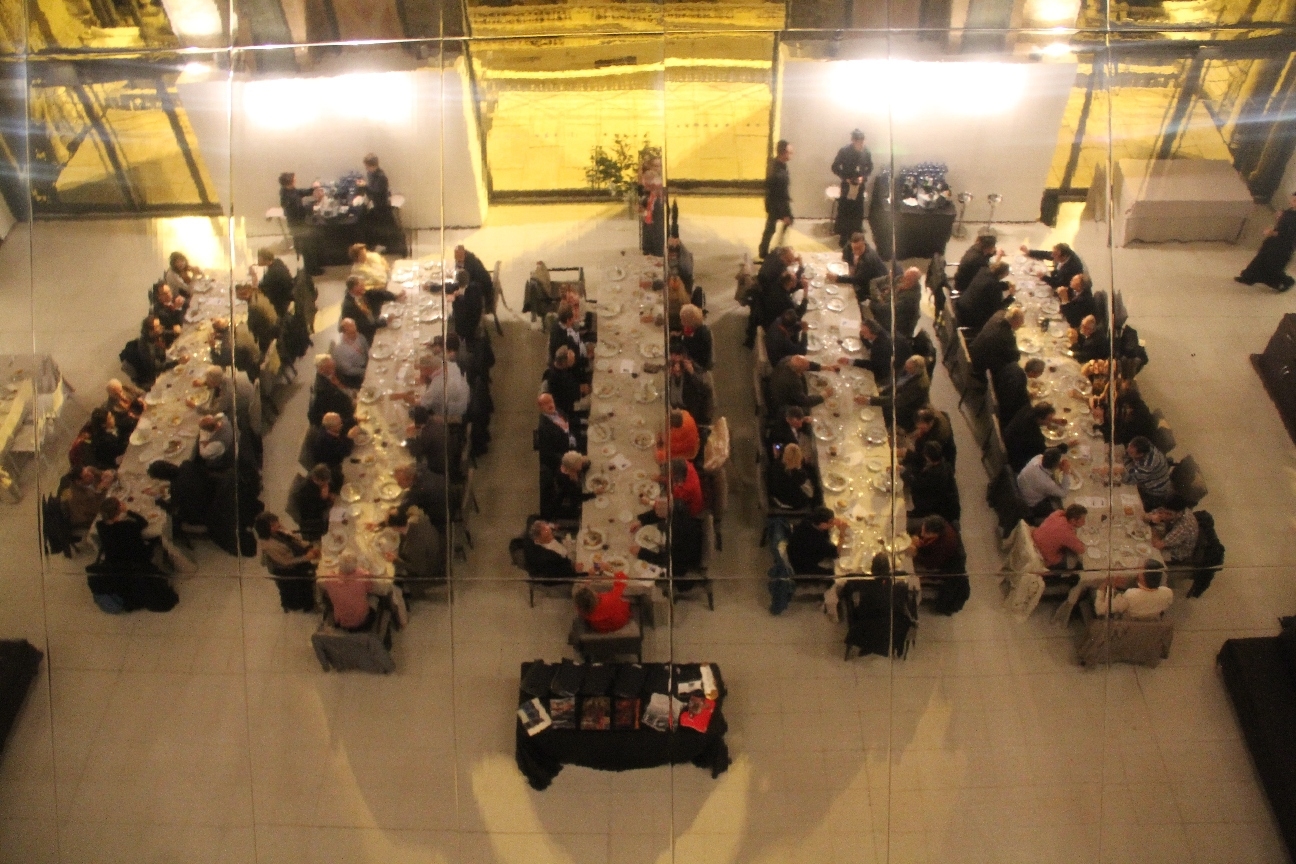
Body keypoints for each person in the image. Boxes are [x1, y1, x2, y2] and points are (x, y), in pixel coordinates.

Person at [254, 511, 319, 613]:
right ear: (267, 528)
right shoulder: (268, 545)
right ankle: (309, 605)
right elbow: (286, 562)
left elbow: (294, 539)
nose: (278, 524)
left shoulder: (277, 531)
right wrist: (306, 557)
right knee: (308, 575)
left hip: (295, 554)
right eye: (274, 524)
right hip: (287, 569)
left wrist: (307, 546)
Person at [629, 497, 704, 582]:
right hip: (681, 540)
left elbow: (665, 560)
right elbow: (661, 512)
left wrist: (641, 553)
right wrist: (641, 521)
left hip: (682, 562)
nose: (657, 514)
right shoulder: (678, 508)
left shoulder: (678, 540)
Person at [1238, 191, 1296, 291]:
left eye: (1294, 201)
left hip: (1283, 246)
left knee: (1272, 265)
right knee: (1261, 259)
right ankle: (1248, 277)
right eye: (1293, 199)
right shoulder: (1291, 211)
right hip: (1274, 242)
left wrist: (1270, 232)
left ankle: (1286, 281)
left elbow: (1286, 234)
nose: (1292, 202)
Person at [866, 355, 930, 432]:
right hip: (897, 395)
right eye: (906, 366)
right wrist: (882, 389)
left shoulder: (919, 385)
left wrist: (870, 400)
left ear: (916, 371)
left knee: (876, 416)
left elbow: (898, 401)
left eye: (908, 368)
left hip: (906, 410)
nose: (905, 368)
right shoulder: (909, 367)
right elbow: (896, 382)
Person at [386, 506, 445, 589]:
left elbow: (419, 569)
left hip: (431, 569)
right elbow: (396, 521)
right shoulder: (419, 519)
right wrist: (380, 524)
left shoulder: (413, 547)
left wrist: (396, 560)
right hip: (437, 545)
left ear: (394, 528)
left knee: (391, 573)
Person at [831, 129, 873, 244]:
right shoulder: (844, 151)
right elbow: (835, 167)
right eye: (858, 141)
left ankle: (856, 237)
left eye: (862, 141)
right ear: (853, 140)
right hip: (847, 185)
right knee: (845, 210)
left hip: (859, 186)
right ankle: (844, 236)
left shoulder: (866, 152)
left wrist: (862, 178)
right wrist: (845, 178)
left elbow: (869, 168)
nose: (860, 144)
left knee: (857, 211)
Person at [905, 440, 960, 525]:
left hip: (941, 512)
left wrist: (904, 472)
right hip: (946, 505)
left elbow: (917, 485)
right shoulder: (944, 463)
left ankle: (916, 515)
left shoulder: (936, 474)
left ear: (928, 457)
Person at [320, 552, 377, 631]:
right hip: (362, 621)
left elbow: (329, 575)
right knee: (375, 599)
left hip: (341, 622)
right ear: (355, 566)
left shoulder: (330, 579)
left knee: (329, 596)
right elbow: (370, 589)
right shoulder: (362, 575)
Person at [1094, 561, 1173, 618]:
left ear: (1143, 578)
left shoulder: (1130, 595)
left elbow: (1100, 610)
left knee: (1093, 591)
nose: (1138, 570)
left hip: (1129, 626)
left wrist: (1108, 585)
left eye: (1140, 570)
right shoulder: (1168, 592)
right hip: (1151, 621)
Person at [828, 232, 889, 306]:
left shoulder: (868, 259)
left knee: (846, 297)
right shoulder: (854, 246)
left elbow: (858, 279)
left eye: (858, 249)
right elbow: (846, 250)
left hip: (875, 283)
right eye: (853, 248)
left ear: (864, 243)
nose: (854, 251)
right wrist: (851, 265)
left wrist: (837, 278)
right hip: (863, 275)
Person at [954, 260, 1014, 335]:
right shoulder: (994, 288)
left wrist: (1006, 285)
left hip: (961, 306)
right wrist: (1011, 297)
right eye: (1006, 274)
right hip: (970, 318)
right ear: (1001, 275)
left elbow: (991, 283)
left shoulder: (983, 271)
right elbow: (998, 309)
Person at [278, 172, 321, 275]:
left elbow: (300, 192)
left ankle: (312, 267)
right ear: (290, 182)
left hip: (296, 223)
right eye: (294, 179)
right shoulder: (289, 197)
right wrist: (314, 205)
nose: (296, 180)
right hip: (298, 225)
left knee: (307, 246)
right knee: (307, 247)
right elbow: (299, 210)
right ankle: (312, 270)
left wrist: (313, 189)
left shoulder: (286, 190)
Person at [758, 139, 794, 260]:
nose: (791, 154)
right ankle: (776, 249)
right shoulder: (777, 172)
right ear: (783, 153)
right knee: (774, 226)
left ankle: (766, 249)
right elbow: (778, 193)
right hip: (777, 204)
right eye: (789, 152)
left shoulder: (778, 165)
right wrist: (784, 213)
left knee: (771, 227)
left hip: (776, 203)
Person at [969, 305, 1025, 379]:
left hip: (974, 349)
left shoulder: (998, 314)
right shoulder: (1007, 336)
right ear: (1015, 322)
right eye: (1019, 324)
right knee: (1014, 370)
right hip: (980, 365)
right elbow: (1015, 357)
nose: (1020, 326)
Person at [341, 274, 401, 343]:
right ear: (355, 288)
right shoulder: (349, 306)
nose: (364, 287)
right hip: (366, 334)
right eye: (361, 285)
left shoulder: (359, 293)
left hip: (374, 320)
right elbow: (362, 325)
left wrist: (394, 296)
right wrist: (384, 321)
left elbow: (376, 293)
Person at [787, 506, 845, 575]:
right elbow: (836, 553)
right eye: (831, 522)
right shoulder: (817, 540)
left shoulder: (808, 520)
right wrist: (842, 533)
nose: (833, 523)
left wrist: (831, 522)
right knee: (834, 573)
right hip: (802, 564)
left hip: (794, 548)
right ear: (822, 524)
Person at [413, 354, 470, 423]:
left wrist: (403, 396)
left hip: (455, 415)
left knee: (415, 414)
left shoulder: (436, 385)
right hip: (464, 398)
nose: (420, 372)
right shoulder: (449, 365)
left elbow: (422, 405)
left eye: (421, 370)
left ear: (427, 369)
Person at [1004, 401, 1058, 473]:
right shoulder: (1034, 435)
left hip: (1008, 438)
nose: (1050, 422)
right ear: (1040, 419)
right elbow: (1045, 452)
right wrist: (1065, 446)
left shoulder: (1027, 408)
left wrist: (1053, 420)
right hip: (1017, 460)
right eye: (1049, 419)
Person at [1121, 436, 1174, 510]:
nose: (1127, 449)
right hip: (1143, 482)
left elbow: (1130, 480)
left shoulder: (1149, 463)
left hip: (1153, 493)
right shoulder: (1144, 446)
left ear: (1141, 454)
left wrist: (1121, 470)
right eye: (1130, 445)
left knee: (1124, 503)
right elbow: (1126, 457)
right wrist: (1128, 463)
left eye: (1131, 452)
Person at [1018, 447, 1070, 521]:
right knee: (1061, 510)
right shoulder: (1047, 483)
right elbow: (1064, 493)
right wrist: (1066, 472)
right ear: (1055, 465)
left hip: (1020, 486)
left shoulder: (1038, 457)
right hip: (1029, 503)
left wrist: (1056, 466)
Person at [1032, 503, 1088, 570]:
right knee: (1077, 561)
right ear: (1073, 520)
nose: (1084, 523)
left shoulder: (1057, 513)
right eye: (1082, 520)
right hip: (1044, 558)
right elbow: (1081, 550)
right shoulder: (1066, 533)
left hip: (1035, 542)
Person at [871, 267, 923, 339]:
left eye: (907, 279)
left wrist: (875, 303)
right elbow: (874, 282)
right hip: (887, 312)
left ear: (913, 282)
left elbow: (888, 309)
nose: (903, 280)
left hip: (898, 325)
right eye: (905, 276)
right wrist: (879, 297)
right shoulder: (901, 279)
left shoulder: (910, 298)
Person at [541, 450, 593, 521]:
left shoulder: (568, 466)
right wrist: (594, 494)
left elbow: (586, 465)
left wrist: (584, 460)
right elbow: (577, 497)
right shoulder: (564, 480)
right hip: (569, 504)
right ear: (573, 468)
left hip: (578, 492)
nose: (581, 465)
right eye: (580, 464)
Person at [525, 519, 582, 583]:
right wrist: (575, 569)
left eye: (546, 525)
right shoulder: (547, 557)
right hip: (566, 570)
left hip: (568, 553)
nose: (548, 527)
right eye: (544, 529)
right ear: (538, 538)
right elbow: (561, 573)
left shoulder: (546, 537)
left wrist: (552, 525)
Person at [60, 466, 113, 536]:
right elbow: (98, 509)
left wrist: (110, 473)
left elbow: (107, 474)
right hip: (87, 521)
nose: (90, 474)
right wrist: (102, 490)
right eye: (86, 476)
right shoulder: (77, 496)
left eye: (87, 471)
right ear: (79, 482)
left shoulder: (91, 471)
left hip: (105, 502)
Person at [535, 393, 580, 474]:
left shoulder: (558, 412)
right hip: (564, 456)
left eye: (550, 401)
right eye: (545, 404)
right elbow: (548, 453)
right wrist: (568, 460)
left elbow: (569, 426)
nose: (550, 405)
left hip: (574, 443)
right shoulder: (543, 428)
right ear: (540, 408)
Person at [992, 357, 1045, 427]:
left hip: (998, 391)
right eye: (1040, 373)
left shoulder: (1014, 366)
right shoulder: (1021, 380)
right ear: (1032, 372)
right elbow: (1015, 403)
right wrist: (1029, 397)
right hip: (1005, 412)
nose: (1040, 375)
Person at [307, 355, 356, 429]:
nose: (334, 369)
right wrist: (353, 403)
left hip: (352, 397)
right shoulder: (323, 390)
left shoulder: (332, 373)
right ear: (321, 370)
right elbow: (339, 408)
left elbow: (347, 383)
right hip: (347, 416)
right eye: (330, 367)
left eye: (333, 366)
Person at [840, 318, 894, 385]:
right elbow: (862, 335)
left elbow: (872, 365)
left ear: (872, 333)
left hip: (880, 374)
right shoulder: (878, 332)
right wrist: (868, 344)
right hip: (875, 360)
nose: (861, 333)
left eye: (864, 332)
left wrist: (851, 361)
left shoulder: (880, 347)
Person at [667, 350, 714, 426]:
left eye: (680, 364)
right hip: (670, 412)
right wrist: (665, 377)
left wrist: (692, 373)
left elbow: (706, 390)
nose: (676, 368)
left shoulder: (692, 374)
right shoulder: (668, 373)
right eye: (673, 364)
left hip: (688, 417)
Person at [1147, 495, 1198, 564]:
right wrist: (1151, 517)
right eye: (1163, 511)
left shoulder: (1184, 526)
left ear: (1179, 513)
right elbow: (1147, 515)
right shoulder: (1171, 507)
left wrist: (1153, 525)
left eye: (1168, 514)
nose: (1164, 516)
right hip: (1168, 535)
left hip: (1176, 553)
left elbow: (1157, 545)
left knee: (1148, 555)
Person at [310, 413, 358, 486]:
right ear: (333, 428)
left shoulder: (328, 427)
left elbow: (343, 423)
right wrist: (349, 438)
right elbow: (346, 452)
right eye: (340, 424)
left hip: (338, 457)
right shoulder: (326, 440)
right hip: (332, 469)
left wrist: (355, 419)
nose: (342, 424)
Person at [291, 464, 335, 541]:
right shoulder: (307, 492)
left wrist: (328, 494)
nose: (326, 484)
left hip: (318, 507)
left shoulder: (316, 479)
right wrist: (324, 498)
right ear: (316, 479)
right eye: (324, 483)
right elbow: (316, 510)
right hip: (313, 518)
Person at [768, 442, 816, 510]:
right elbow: (810, 494)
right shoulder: (799, 475)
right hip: (791, 503)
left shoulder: (776, 465)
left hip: (777, 495)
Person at [542, 346, 587, 419]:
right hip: (567, 411)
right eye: (571, 361)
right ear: (564, 362)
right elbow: (568, 397)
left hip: (571, 398)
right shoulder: (557, 378)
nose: (573, 362)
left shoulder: (557, 367)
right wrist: (580, 390)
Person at [236, 280, 279, 353]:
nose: (239, 298)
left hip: (267, 340)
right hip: (273, 329)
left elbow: (252, 331)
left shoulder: (254, 306)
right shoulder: (258, 294)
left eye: (240, 295)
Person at [253, 247, 295, 318]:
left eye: (259, 258)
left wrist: (254, 276)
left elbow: (262, 288)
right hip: (283, 302)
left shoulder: (274, 272)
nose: (257, 260)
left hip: (279, 305)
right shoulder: (277, 265)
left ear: (264, 258)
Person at [331, 318, 370, 389]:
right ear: (344, 332)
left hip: (366, 365)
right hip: (356, 375)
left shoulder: (358, 336)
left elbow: (366, 349)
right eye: (352, 333)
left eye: (355, 330)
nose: (356, 334)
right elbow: (348, 370)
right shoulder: (339, 349)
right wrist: (365, 371)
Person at [678, 304, 712, 371]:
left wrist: (682, 358)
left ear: (689, 321)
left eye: (683, 320)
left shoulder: (701, 334)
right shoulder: (695, 327)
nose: (681, 322)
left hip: (698, 367)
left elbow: (690, 350)